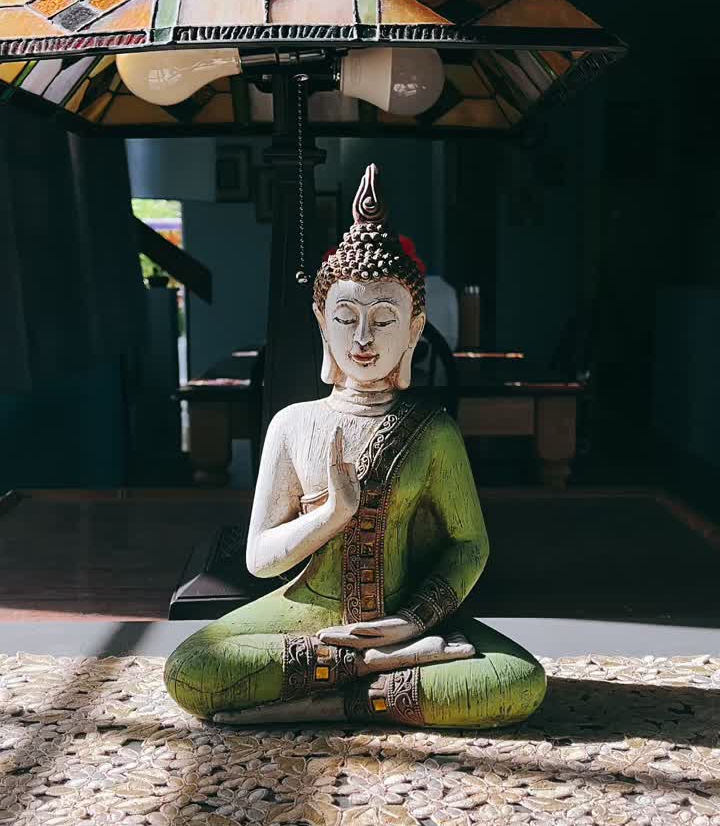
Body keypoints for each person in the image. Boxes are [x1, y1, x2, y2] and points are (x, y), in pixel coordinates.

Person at [164, 164, 546, 729]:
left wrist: (414, 622)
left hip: (403, 619)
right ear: (323, 324)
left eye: (383, 319)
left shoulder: (433, 430)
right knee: (191, 668)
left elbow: (469, 545)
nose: (363, 339)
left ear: (414, 330)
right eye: (346, 319)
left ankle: (326, 696)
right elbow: (261, 558)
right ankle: (378, 677)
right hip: (303, 614)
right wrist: (332, 514)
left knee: (516, 682)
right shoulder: (293, 424)